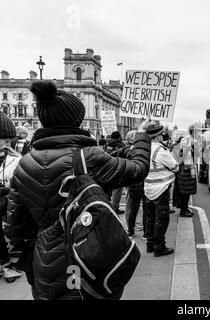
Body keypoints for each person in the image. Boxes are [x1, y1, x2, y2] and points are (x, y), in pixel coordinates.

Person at [4, 80, 155, 300]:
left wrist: (33, 261)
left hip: (43, 263)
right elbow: (138, 170)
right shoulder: (88, 156)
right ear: (76, 120)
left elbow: (15, 228)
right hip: (86, 257)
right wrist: (142, 135)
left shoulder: (24, 163)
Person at [143, 125, 179, 257]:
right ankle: (159, 247)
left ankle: (150, 245)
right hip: (160, 188)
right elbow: (175, 166)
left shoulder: (143, 149)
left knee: (150, 218)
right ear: (158, 136)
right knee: (162, 219)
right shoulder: (160, 150)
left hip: (147, 187)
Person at [0, 113, 25, 282]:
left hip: (11, 205)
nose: (7, 144)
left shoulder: (17, 160)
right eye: (4, 140)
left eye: (9, 140)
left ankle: (11, 265)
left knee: (14, 236)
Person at [113, 130, 148, 238]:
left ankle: (138, 230)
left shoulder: (129, 149)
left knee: (139, 206)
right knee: (133, 206)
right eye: (135, 135)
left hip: (138, 181)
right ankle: (132, 229)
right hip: (135, 181)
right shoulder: (130, 150)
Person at [173, 128, 197, 217]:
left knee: (186, 193)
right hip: (184, 172)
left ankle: (185, 208)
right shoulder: (179, 148)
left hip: (188, 172)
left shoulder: (188, 147)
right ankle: (183, 210)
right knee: (184, 192)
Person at [106, 131, 126, 214]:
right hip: (118, 170)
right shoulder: (121, 145)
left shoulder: (107, 145)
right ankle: (114, 209)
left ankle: (107, 208)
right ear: (118, 137)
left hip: (108, 170)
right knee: (117, 191)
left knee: (108, 191)